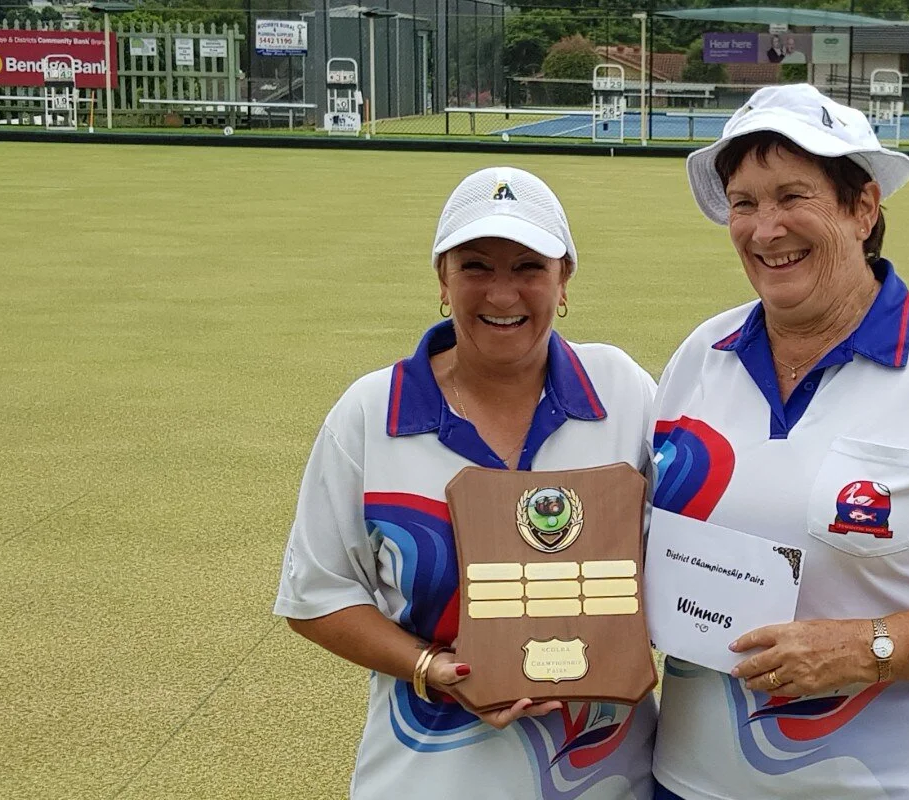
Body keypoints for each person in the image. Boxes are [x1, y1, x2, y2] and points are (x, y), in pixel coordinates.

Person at [648, 84, 909, 799]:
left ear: (862, 208)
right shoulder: (702, 353)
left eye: (792, 196)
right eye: (744, 202)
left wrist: (868, 648)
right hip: (692, 781)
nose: (764, 229)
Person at [274, 166, 657, 800]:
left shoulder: (623, 392)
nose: (502, 295)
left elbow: (677, 554)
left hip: (611, 780)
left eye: (529, 267)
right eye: (476, 265)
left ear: (564, 280)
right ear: (443, 280)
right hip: (427, 776)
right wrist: (430, 667)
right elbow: (316, 595)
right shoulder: (373, 411)